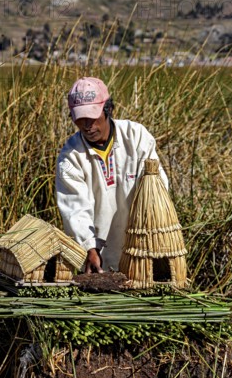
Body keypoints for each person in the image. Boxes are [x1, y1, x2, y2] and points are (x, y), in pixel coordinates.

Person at [55, 77, 168, 273]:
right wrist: (89, 248)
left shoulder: (136, 137)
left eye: (92, 116)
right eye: (80, 118)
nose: (87, 125)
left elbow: (158, 189)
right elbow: (75, 209)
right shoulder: (71, 157)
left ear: (107, 109)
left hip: (141, 250)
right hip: (99, 258)